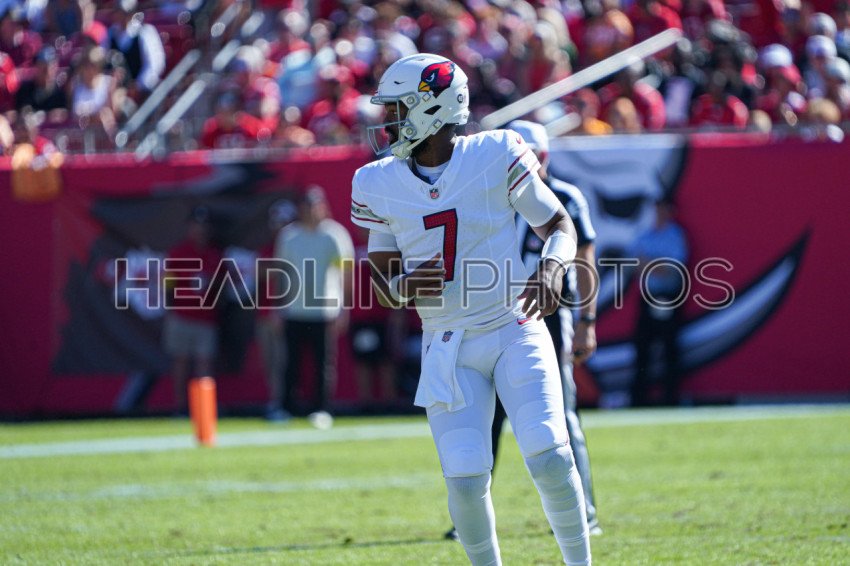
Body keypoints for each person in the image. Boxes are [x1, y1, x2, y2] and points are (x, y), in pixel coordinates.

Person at [352, 54, 591, 565]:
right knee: (464, 480)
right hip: (446, 343)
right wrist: (401, 287)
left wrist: (552, 266)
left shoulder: (495, 152)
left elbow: (559, 226)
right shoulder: (376, 181)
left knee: (549, 456)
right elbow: (383, 285)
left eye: (397, 109)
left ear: (431, 108)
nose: (387, 121)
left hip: (514, 325)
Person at [444, 120, 602, 539]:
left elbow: (584, 260)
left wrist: (586, 321)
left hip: (549, 312)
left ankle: (583, 511)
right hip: (492, 312)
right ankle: (471, 519)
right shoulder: (486, 195)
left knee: (560, 413)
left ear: (542, 157)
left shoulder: (564, 197)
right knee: (483, 415)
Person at [276, 186, 354, 429]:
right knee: (291, 363)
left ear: (323, 207)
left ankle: (321, 409)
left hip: (324, 311)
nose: (311, 210)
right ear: (300, 209)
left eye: (315, 205)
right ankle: (286, 408)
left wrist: (345, 308)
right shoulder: (289, 236)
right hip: (294, 310)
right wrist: (278, 307)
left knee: (323, 364)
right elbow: (282, 274)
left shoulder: (334, 235)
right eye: (307, 205)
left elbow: (345, 273)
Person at [162, 206, 222, 414]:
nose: (201, 230)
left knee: (205, 364)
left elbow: (222, 287)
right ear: (189, 227)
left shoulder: (215, 255)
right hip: (182, 316)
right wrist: (171, 309)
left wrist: (211, 282)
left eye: (204, 226)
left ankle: (204, 410)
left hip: (206, 319)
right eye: (197, 225)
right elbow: (167, 285)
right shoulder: (178, 253)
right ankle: (180, 407)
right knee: (181, 362)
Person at [629, 199, 689, 407]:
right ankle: (638, 399)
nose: (659, 213)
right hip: (647, 296)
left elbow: (670, 270)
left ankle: (669, 398)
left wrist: (648, 263)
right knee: (642, 345)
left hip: (667, 297)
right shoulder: (645, 235)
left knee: (668, 345)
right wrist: (654, 264)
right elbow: (634, 265)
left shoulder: (675, 235)